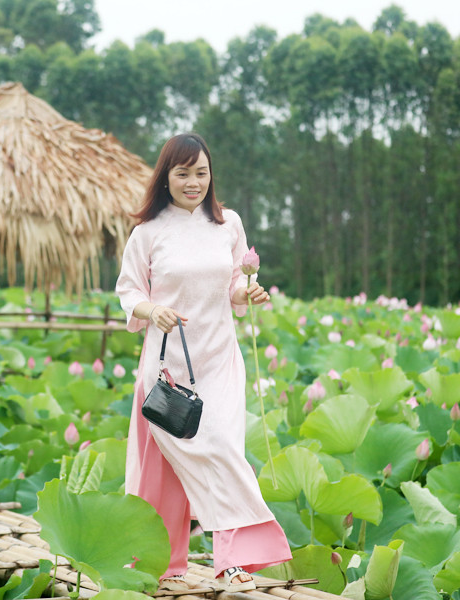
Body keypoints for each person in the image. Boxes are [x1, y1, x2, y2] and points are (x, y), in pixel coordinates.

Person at [116, 133, 291, 592]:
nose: (193, 182)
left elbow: (232, 282)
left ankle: (235, 562)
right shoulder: (148, 232)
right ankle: (158, 558)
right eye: (182, 173)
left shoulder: (228, 224)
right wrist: (152, 310)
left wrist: (247, 291)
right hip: (167, 366)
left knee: (224, 449)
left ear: (210, 175)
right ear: (166, 178)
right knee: (163, 468)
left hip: (219, 359)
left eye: (201, 172)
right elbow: (128, 291)